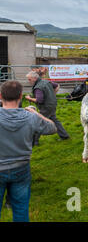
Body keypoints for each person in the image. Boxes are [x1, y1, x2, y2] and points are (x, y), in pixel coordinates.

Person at [0, 80, 57, 222]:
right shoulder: (31, 117)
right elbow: (52, 127)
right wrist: (36, 113)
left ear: (0, 96)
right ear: (20, 96)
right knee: (20, 209)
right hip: (21, 168)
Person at [24, 71, 69, 144]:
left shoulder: (38, 87)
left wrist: (29, 98)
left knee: (38, 122)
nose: (29, 81)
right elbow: (57, 86)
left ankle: (34, 141)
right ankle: (64, 136)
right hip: (52, 104)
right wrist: (52, 94)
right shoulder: (46, 82)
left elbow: (39, 100)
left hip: (46, 107)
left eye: (29, 79)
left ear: (35, 78)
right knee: (54, 120)